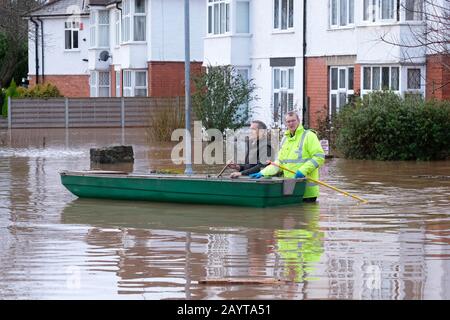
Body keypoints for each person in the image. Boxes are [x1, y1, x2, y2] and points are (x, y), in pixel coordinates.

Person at [249, 112, 325, 202]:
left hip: (307, 191)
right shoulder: (285, 139)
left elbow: (319, 157)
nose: (291, 123)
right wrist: (263, 172)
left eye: (293, 120)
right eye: (288, 121)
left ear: (298, 121)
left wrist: (303, 170)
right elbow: (279, 163)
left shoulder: (309, 136)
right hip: (290, 188)